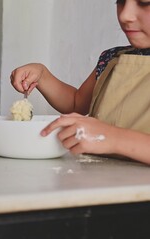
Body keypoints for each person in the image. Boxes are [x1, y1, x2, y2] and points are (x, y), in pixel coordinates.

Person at [10, 0, 150, 164]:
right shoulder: (112, 59)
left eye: (144, 2)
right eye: (120, 1)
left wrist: (111, 138)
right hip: (99, 182)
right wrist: (43, 76)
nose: (125, 15)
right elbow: (76, 103)